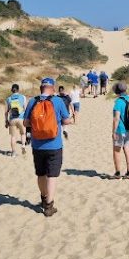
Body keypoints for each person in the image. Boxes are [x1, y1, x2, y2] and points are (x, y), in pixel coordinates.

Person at [24, 77, 73, 217]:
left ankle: (43, 197)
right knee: (52, 175)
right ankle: (49, 206)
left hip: (37, 145)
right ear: (52, 88)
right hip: (54, 145)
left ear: (41, 88)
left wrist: (37, 124)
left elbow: (25, 123)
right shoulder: (57, 101)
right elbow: (66, 120)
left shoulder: (33, 101)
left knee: (41, 174)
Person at [111, 81, 129, 179]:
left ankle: (117, 173)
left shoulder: (118, 102)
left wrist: (113, 132)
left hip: (120, 130)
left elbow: (116, 118)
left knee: (117, 150)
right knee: (127, 149)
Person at [4, 83, 27, 157]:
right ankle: (23, 145)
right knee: (23, 133)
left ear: (12, 90)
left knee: (13, 136)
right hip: (21, 118)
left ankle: (13, 153)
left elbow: (6, 112)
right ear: (18, 89)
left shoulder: (8, 99)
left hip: (12, 119)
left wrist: (6, 121)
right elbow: (25, 109)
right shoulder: (23, 97)